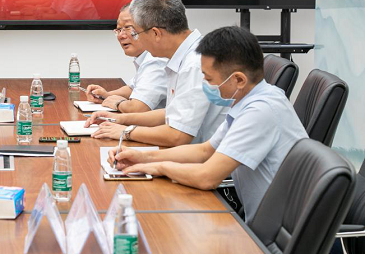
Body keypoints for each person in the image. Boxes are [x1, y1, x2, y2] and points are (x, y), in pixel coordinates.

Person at [108, 26, 308, 223]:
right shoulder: (246, 101)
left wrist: (158, 167)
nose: (204, 83)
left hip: (277, 231)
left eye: (209, 78)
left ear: (238, 80)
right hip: (262, 219)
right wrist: (142, 157)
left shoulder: (260, 110)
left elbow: (207, 177)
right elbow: (205, 151)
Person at [86, 0, 227, 146]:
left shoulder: (195, 64)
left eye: (136, 33)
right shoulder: (183, 55)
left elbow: (178, 135)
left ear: (156, 33)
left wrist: (126, 132)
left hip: (203, 158)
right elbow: (172, 112)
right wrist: (120, 119)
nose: (135, 39)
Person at [85, 3, 168, 115]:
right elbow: (133, 88)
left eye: (128, 28)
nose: (121, 36)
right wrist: (107, 95)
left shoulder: (157, 60)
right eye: (119, 29)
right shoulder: (146, 57)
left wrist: (118, 103)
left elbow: (137, 109)